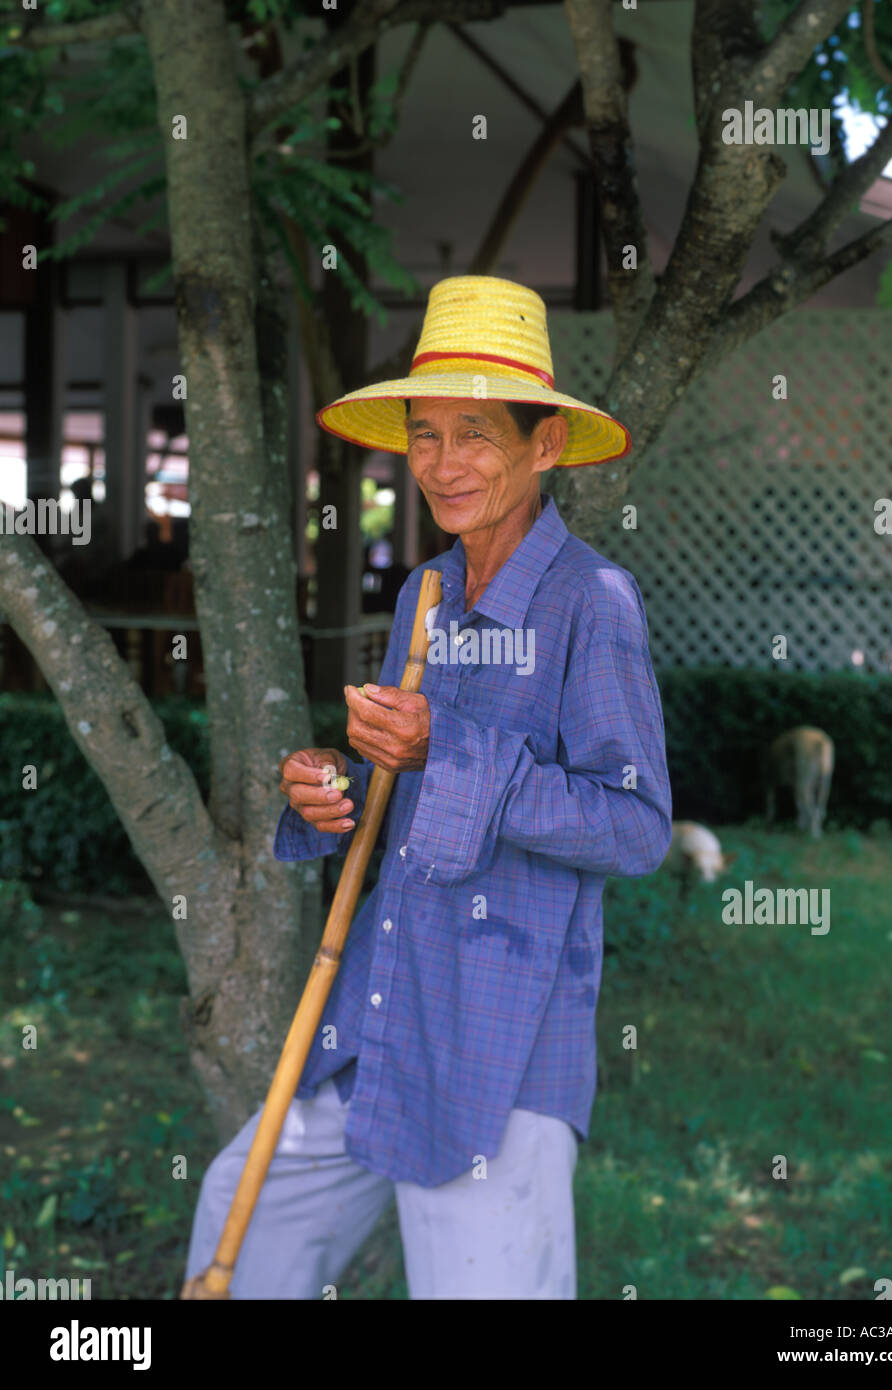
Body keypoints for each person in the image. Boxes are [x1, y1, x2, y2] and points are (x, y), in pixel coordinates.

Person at [183, 274, 672, 1300]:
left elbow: (632, 825)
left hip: (499, 1045)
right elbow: (403, 794)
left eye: (476, 434)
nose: (442, 465)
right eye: (424, 435)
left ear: (545, 446)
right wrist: (333, 788)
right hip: (375, 1011)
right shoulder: (427, 591)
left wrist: (443, 750)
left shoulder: (593, 602)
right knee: (243, 1220)